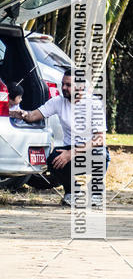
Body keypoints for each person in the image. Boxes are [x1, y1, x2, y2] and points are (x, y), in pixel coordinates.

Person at [19, 69, 109, 206]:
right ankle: (72, 192)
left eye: (68, 85)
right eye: (63, 84)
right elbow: (33, 116)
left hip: (91, 149)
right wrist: (17, 113)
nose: (64, 88)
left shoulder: (94, 103)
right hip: (69, 147)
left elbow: (100, 139)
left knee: (100, 155)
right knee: (53, 160)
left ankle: (96, 192)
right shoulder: (58, 101)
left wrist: (71, 153)